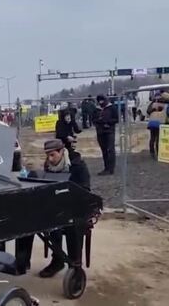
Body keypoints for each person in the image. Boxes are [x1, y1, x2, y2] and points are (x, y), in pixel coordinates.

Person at [38, 139, 90, 278]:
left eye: (52, 155)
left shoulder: (78, 166)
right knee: (50, 224)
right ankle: (57, 260)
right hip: (58, 208)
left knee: (72, 226)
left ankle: (75, 265)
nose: (49, 159)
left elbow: (85, 191)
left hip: (77, 209)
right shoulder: (48, 166)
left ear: (62, 151)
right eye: (47, 155)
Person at [93, 94, 119, 175]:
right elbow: (93, 119)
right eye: (99, 101)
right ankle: (106, 168)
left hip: (109, 131)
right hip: (100, 132)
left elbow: (116, 119)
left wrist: (108, 122)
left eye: (102, 100)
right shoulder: (96, 109)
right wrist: (99, 122)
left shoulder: (112, 108)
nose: (101, 102)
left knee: (110, 150)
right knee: (104, 150)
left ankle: (111, 168)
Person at [146, 92, 168, 159]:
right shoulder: (166, 104)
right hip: (160, 123)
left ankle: (152, 153)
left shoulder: (152, 103)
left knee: (152, 138)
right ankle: (159, 154)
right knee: (158, 139)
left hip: (152, 123)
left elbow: (148, 111)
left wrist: (153, 110)